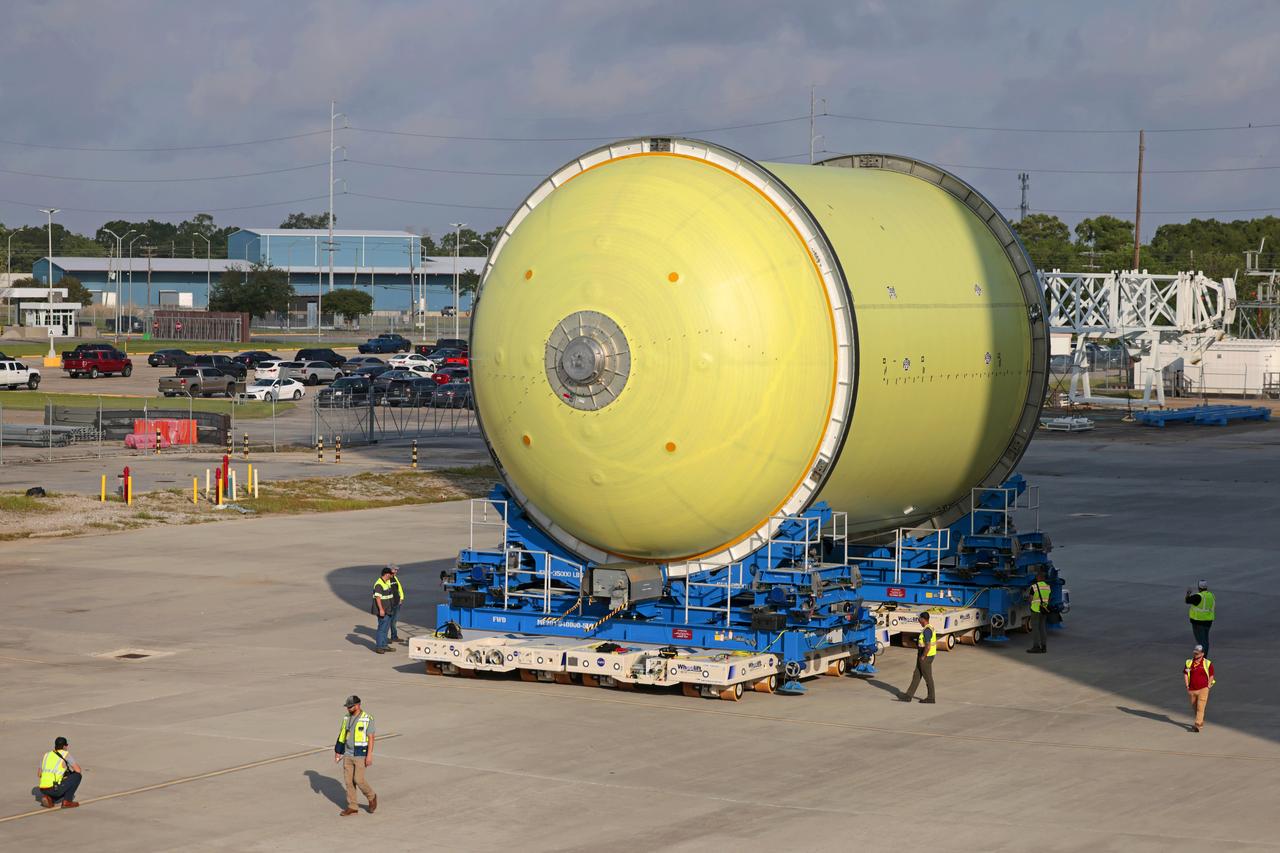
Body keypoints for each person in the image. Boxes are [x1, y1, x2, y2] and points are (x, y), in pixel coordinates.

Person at [333, 695, 377, 816]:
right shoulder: (346, 717)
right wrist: (338, 750)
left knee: (358, 779)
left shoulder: (367, 718)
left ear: (358, 705)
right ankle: (353, 806)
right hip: (347, 753)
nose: (348, 709)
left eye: (350, 707)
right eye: (347, 707)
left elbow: (371, 738)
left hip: (360, 754)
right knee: (348, 781)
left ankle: (371, 796)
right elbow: (342, 734)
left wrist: (369, 756)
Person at [898, 611, 937, 704]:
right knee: (916, 675)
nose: (918, 620)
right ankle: (908, 696)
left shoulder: (927, 630)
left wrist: (923, 656)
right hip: (925, 655)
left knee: (928, 677)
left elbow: (928, 646)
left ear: (923, 619)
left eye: (919, 618)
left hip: (925, 656)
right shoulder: (929, 628)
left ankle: (931, 698)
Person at [37, 736, 83, 809]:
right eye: (66, 745)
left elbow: (39, 774)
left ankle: (49, 798)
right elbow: (78, 770)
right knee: (77, 776)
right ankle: (67, 801)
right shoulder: (65, 754)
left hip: (43, 789)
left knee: (61, 783)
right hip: (54, 789)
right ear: (64, 746)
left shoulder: (46, 755)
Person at [1183, 645, 1216, 733]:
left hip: (1203, 689)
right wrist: (1187, 685)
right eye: (1195, 653)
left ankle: (1197, 724)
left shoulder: (1207, 663)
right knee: (1195, 707)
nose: (1195, 655)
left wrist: (1208, 686)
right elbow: (1186, 674)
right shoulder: (1189, 663)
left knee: (1200, 707)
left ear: (1202, 654)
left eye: (1197, 653)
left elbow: (1211, 675)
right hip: (1192, 689)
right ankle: (1200, 722)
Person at [1185, 580, 1215, 654]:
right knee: (1205, 640)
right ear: (1206, 587)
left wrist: (1188, 593)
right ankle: (1204, 656)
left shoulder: (1198, 596)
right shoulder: (1211, 595)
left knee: (1201, 641)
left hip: (1198, 622)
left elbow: (1187, 600)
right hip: (1208, 622)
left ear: (1199, 587)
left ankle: (1202, 657)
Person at [372, 567, 396, 654]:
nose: (391, 576)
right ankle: (379, 646)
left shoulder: (386, 582)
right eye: (390, 574)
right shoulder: (379, 584)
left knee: (386, 629)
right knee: (381, 629)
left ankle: (384, 645)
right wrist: (381, 609)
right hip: (383, 611)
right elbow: (378, 598)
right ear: (387, 574)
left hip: (389, 610)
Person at [1027, 568, 1051, 654]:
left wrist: (1030, 603)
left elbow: (1030, 599)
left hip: (1035, 609)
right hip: (1044, 609)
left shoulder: (1034, 587)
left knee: (1035, 629)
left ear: (1038, 578)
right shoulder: (1048, 587)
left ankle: (1036, 646)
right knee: (1042, 628)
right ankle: (1044, 647)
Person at [387, 564, 407, 646]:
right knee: (387, 622)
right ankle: (384, 637)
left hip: (397, 603)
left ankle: (394, 636)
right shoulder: (387, 579)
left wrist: (401, 598)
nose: (396, 571)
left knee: (394, 621)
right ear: (390, 570)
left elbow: (399, 588)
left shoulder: (395, 578)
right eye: (395, 569)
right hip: (390, 604)